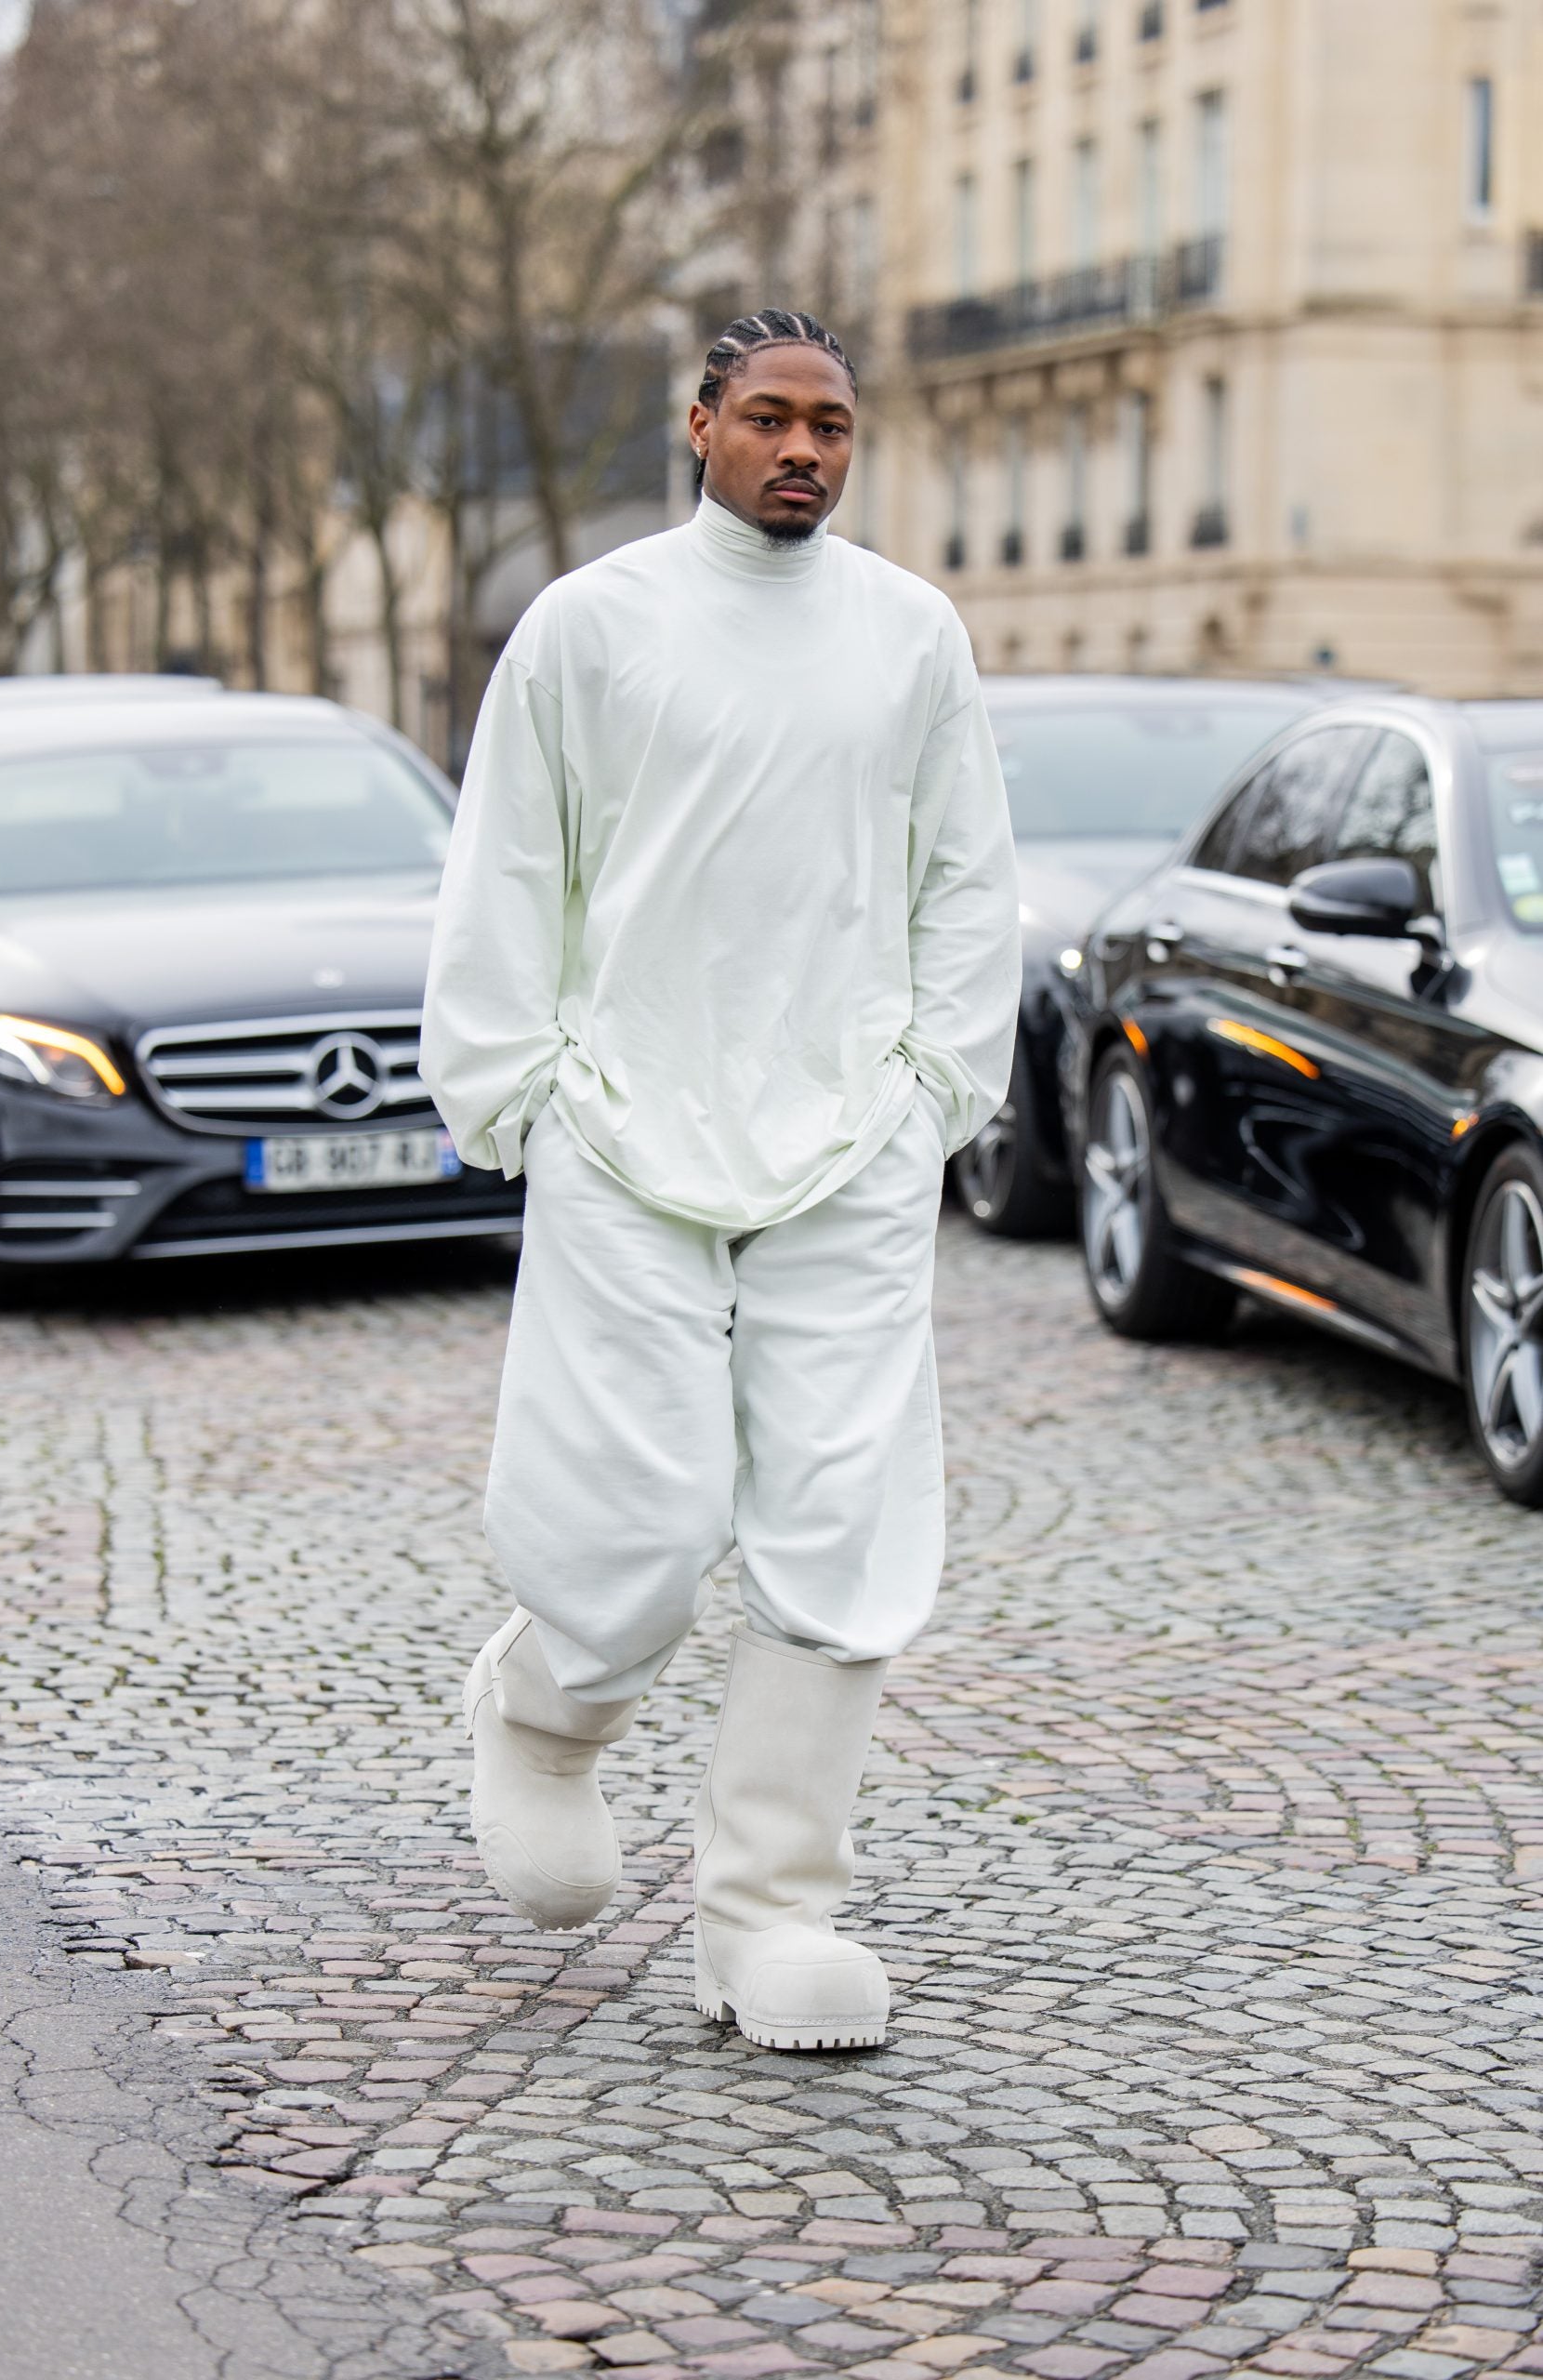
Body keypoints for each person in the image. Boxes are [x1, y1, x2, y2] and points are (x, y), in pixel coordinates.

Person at [420, 307, 1019, 2051]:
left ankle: (771, 1912)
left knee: (844, 1533)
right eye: (770, 417)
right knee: (645, 1509)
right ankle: (546, 1717)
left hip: (850, 1138)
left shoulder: (912, 635)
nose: (805, 451)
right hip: (625, 1120)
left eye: (832, 424)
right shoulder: (589, 627)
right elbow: (509, 865)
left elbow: (966, 878)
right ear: (700, 427)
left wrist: (931, 1096)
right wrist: (515, 1089)